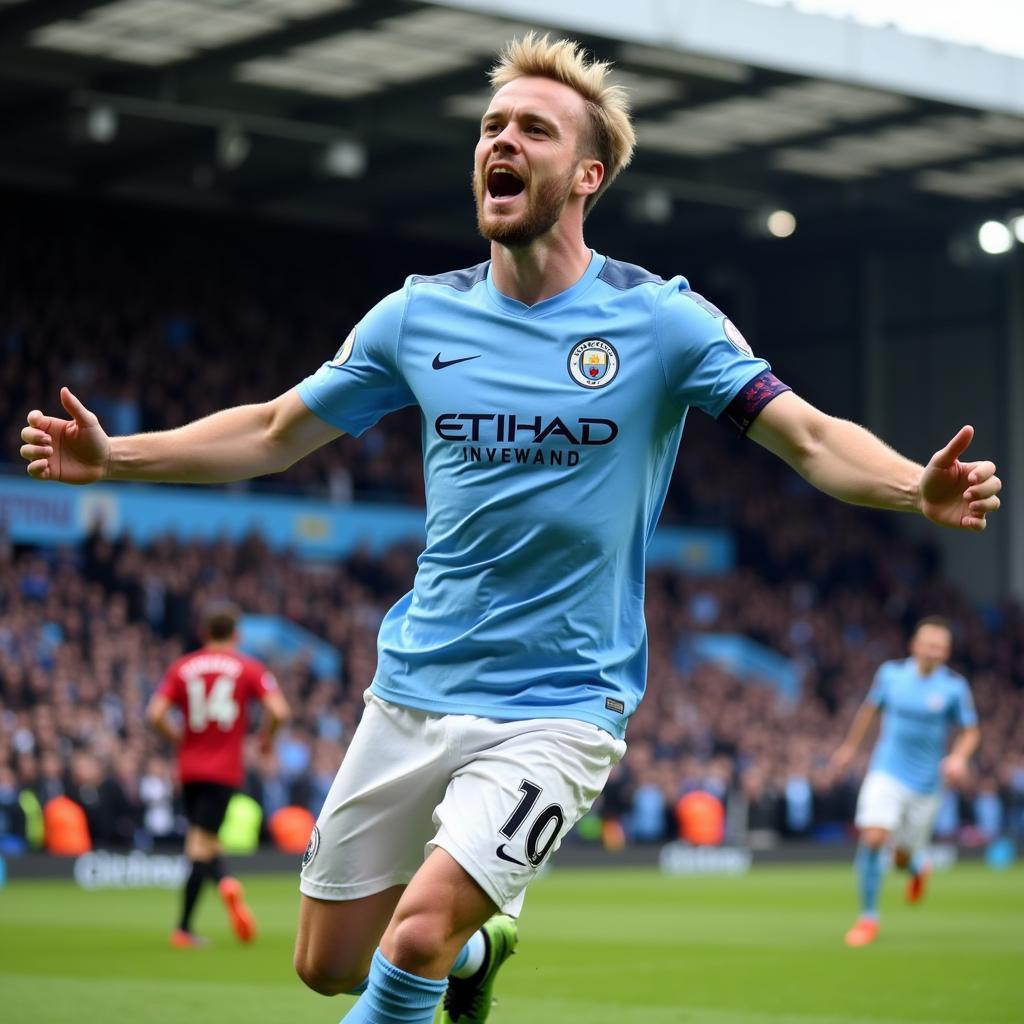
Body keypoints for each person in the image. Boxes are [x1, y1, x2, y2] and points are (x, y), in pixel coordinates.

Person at [19, 32, 1001, 1024]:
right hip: (413, 685)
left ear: (588, 174)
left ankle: (452, 939)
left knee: (412, 939)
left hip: (562, 702)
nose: (503, 140)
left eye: (533, 127)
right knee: (327, 963)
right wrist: (118, 457)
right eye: (492, 125)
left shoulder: (662, 321)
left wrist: (908, 487)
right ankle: (484, 945)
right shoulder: (417, 318)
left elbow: (810, 436)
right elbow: (275, 431)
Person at [145, 601, 290, 948]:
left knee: (199, 840)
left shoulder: (183, 667)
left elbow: (154, 714)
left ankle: (214, 888)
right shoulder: (248, 667)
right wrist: (265, 739)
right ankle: (196, 913)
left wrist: (178, 738)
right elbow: (279, 710)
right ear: (236, 634)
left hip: (190, 769)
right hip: (224, 769)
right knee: (200, 843)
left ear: (203, 633)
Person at [829, 617, 980, 947]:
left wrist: (958, 757)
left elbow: (971, 731)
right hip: (886, 771)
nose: (933, 651)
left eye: (940, 646)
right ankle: (868, 919)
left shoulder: (954, 688)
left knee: (899, 857)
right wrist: (850, 749)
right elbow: (870, 710)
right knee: (872, 836)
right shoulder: (890, 675)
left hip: (926, 785)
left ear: (947, 652)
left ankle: (915, 865)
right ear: (914, 645)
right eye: (928, 644)